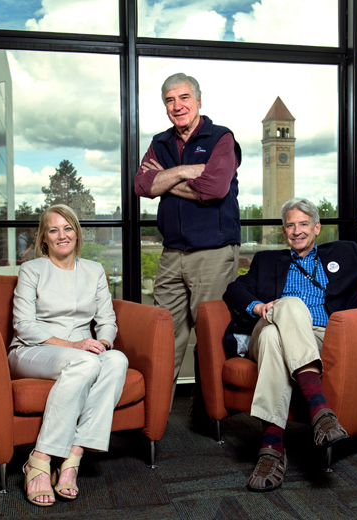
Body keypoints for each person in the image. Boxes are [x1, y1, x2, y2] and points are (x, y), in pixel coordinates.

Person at [223, 197, 357, 492]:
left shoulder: (345, 253)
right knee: (287, 309)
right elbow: (235, 289)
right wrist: (260, 308)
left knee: (279, 338)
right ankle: (320, 410)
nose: (296, 231)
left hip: (320, 336)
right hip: (267, 326)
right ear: (283, 231)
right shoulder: (266, 261)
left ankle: (272, 448)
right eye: (290, 225)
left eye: (303, 224)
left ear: (317, 227)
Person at [135, 72, 242, 420]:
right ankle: (155, 416)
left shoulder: (220, 138)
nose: (177, 106)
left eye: (184, 98)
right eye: (170, 100)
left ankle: (209, 412)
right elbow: (141, 184)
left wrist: (164, 179)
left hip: (213, 253)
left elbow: (213, 190)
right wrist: (185, 171)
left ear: (198, 101)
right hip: (171, 254)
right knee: (165, 335)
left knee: (210, 337)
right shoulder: (161, 141)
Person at [8, 204, 128, 506]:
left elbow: (107, 320)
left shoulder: (94, 270)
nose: (62, 235)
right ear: (44, 238)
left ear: (77, 232)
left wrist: (103, 343)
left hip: (82, 352)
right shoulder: (32, 270)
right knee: (85, 360)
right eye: (53, 229)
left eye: (68, 227)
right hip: (34, 350)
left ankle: (73, 457)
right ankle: (41, 457)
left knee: (117, 360)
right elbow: (23, 325)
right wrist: (74, 346)